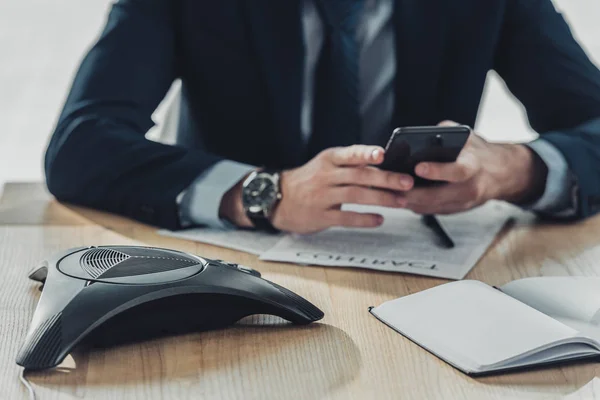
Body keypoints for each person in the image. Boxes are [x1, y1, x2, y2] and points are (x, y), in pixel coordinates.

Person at [45, 0, 600, 234]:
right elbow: (82, 142)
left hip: (427, 281)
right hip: (238, 275)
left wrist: (513, 169)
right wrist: (262, 193)